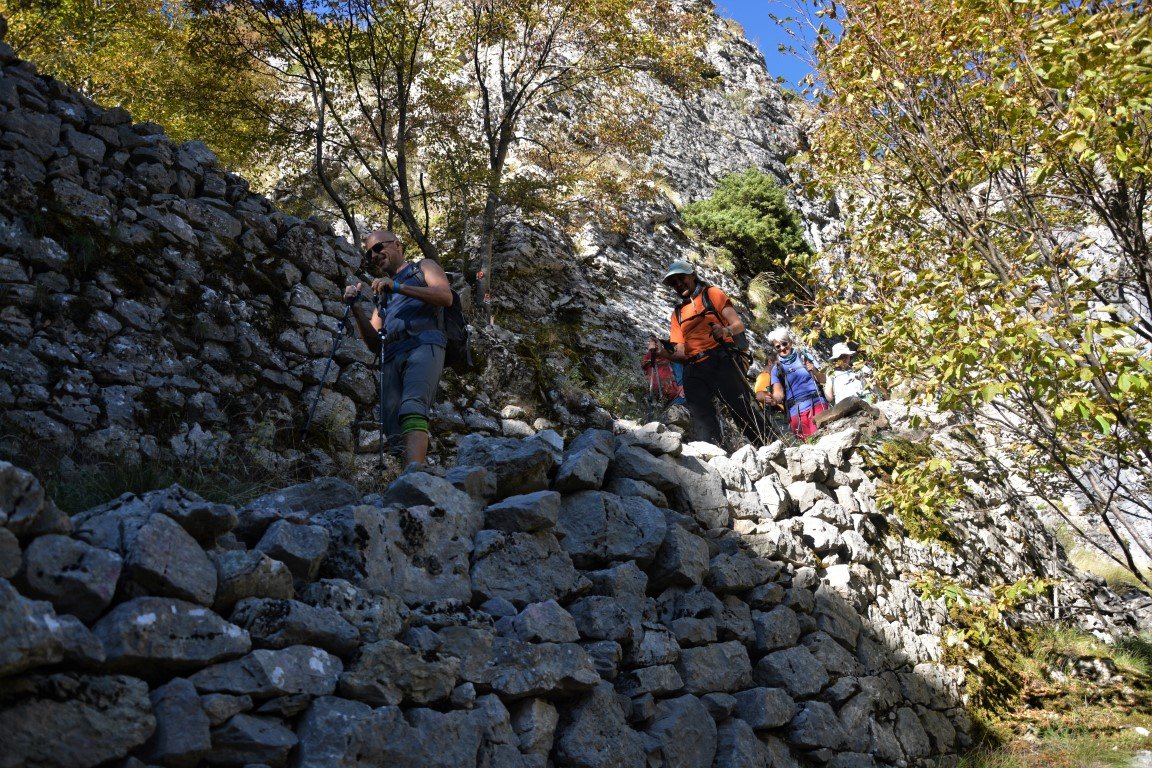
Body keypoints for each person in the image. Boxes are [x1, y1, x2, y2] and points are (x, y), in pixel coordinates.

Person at [343, 230, 453, 469]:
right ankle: (405, 482)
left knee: (412, 405)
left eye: (378, 247)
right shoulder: (381, 294)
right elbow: (373, 343)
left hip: (424, 344)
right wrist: (355, 309)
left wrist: (398, 286)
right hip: (392, 354)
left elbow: (445, 296)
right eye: (369, 253)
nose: (374, 255)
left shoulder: (423, 266)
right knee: (392, 424)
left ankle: (414, 475)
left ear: (397, 245)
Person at [650, 260, 765, 447]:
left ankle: (769, 448)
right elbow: (680, 353)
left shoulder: (712, 294)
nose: (678, 285)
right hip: (693, 367)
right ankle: (712, 456)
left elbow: (738, 325)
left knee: (740, 410)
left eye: (681, 278)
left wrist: (725, 331)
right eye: (674, 282)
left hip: (722, 358)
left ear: (693, 276)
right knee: (702, 419)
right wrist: (663, 352)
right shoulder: (677, 314)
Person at [766, 326, 827, 440]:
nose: (782, 348)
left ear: (790, 342)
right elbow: (779, 394)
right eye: (778, 347)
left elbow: (823, 379)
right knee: (809, 445)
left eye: (784, 344)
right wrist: (774, 399)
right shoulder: (776, 369)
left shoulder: (805, 356)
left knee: (825, 438)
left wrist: (813, 369)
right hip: (796, 413)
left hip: (817, 404)